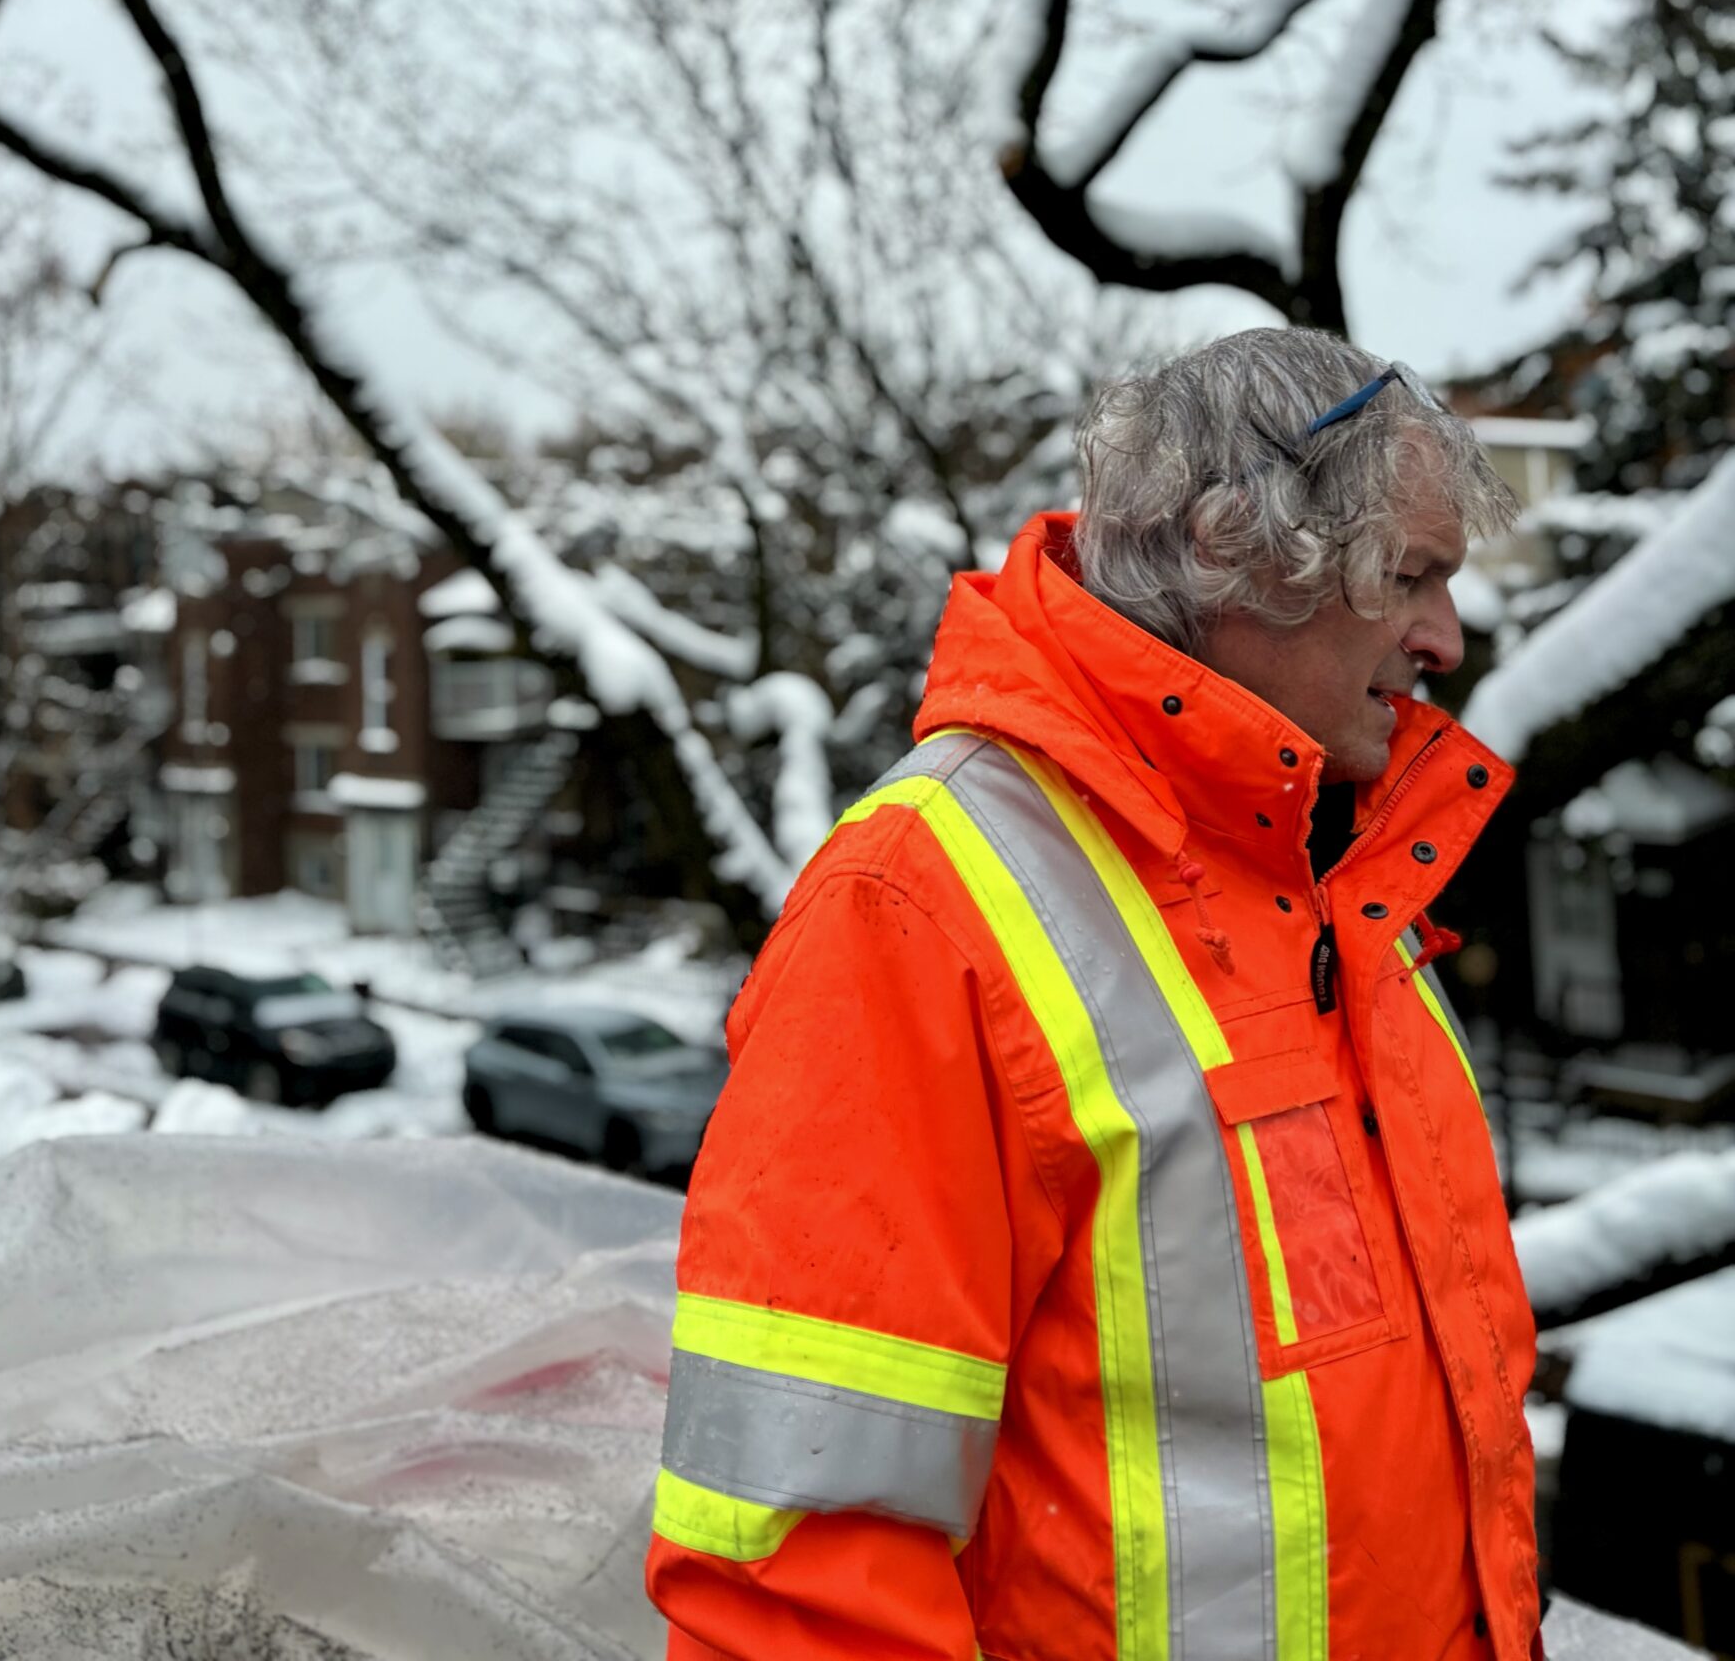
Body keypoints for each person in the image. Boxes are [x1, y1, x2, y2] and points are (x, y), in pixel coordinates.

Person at [647, 328, 1544, 1661]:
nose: (1445, 641)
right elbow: (800, 1563)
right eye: (1411, 578)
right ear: (1243, 556)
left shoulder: (1340, 877)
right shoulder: (918, 904)